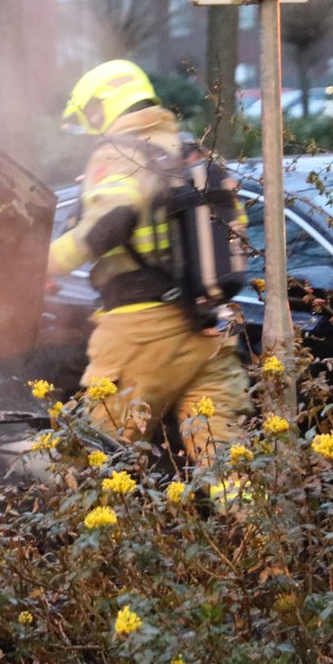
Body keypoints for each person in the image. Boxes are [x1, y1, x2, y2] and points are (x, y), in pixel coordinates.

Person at [48, 59, 249, 463]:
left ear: (101, 107)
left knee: (97, 466)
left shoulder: (120, 153)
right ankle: (259, 527)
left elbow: (111, 219)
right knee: (227, 468)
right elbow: (237, 225)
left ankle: (108, 528)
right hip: (207, 331)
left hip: (138, 334)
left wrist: (40, 268)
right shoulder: (190, 152)